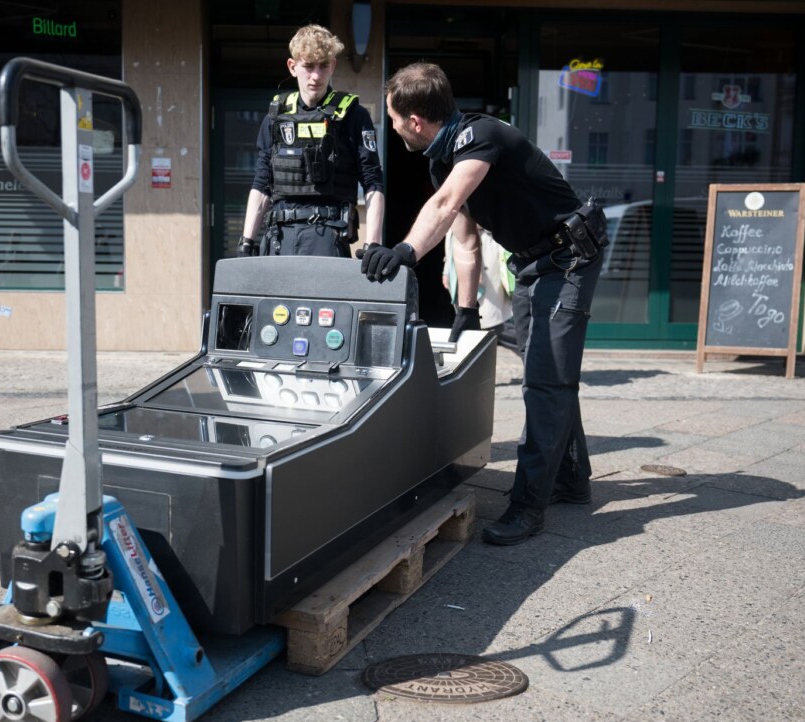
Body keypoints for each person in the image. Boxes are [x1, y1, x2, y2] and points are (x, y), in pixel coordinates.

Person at [361, 62, 606, 546]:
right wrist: (466, 309)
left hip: (570, 257)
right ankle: (571, 478)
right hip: (533, 263)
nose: (392, 126)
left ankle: (529, 506)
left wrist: (405, 252)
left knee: (546, 381)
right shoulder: (441, 160)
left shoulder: (482, 136)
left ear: (415, 120)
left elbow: (445, 204)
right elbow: (466, 239)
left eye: (392, 118)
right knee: (549, 373)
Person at [238, 24, 384, 259]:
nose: (316, 76)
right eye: (308, 66)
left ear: (332, 66)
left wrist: (373, 244)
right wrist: (247, 242)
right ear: (292, 66)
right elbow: (262, 183)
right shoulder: (275, 117)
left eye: (323, 66)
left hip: (328, 237)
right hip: (279, 239)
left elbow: (373, 180)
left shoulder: (353, 116)